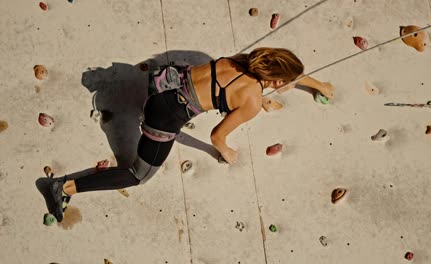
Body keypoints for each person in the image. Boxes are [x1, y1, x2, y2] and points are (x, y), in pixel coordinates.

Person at [36, 47, 335, 222]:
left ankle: (65, 186)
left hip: (163, 85)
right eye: (287, 82)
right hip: (163, 116)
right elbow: (218, 136)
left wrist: (319, 85)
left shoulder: (244, 60)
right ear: (276, 80)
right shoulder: (252, 102)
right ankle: (64, 187)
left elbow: (282, 73)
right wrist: (227, 151)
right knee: (138, 175)